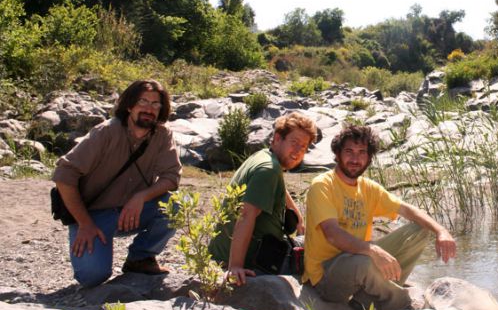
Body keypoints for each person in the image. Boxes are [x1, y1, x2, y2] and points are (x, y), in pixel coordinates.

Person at [303, 125, 457, 310]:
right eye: (349, 151)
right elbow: (333, 234)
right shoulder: (322, 185)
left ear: (369, 158)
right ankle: (401, 303)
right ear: (337, 154)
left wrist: (441, 231)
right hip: (327, 276)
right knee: (364, 262)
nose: (355, 159)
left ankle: (369, 298)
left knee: (419, 230)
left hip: (358, 259)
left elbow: (407, 210)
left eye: (362, 153)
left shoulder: (368, 188)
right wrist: (373, 250)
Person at [52, 79, 182, 287]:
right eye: (143, 102)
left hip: (132, 211)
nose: (149, 109)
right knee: (92, 277)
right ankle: (93, 244)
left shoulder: (162, 135)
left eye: (155, 104)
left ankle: (141, 258)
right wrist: (85, 223)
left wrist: (140, 197)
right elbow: (64, 174)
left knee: (175, 206)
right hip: (93, 216)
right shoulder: (106, 132)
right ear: (129, 105)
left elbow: (172, 177)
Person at [209, 112, 317, 285]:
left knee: (308, 240)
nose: (297, 151)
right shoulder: (268, 170)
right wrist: (235, 267)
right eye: (294, 142)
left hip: (227, 251)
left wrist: (299, 218)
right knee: (324, 246)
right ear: (277, 139)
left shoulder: (265, 158)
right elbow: (246, 215)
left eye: (303, 147)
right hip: (258, 261)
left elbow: (279, 185)